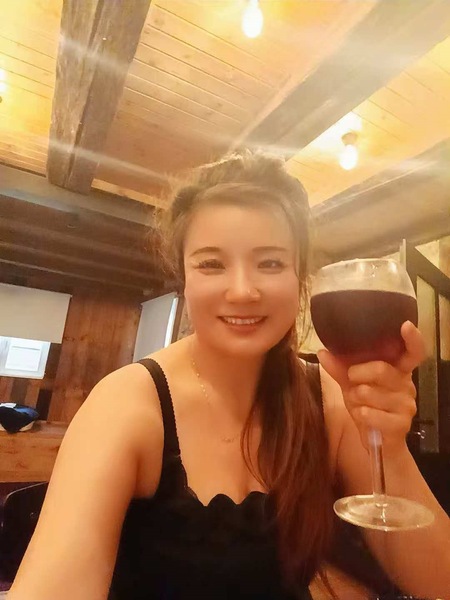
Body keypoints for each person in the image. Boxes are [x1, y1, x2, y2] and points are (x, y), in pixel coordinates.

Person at [8, 151, 450, 600]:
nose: (242, 291)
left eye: (270, 263)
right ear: (184, 277)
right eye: (212, 264)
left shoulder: (327, 396)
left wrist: (388, 445)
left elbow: (440, 580)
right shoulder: (128, 404)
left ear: (300, 276)